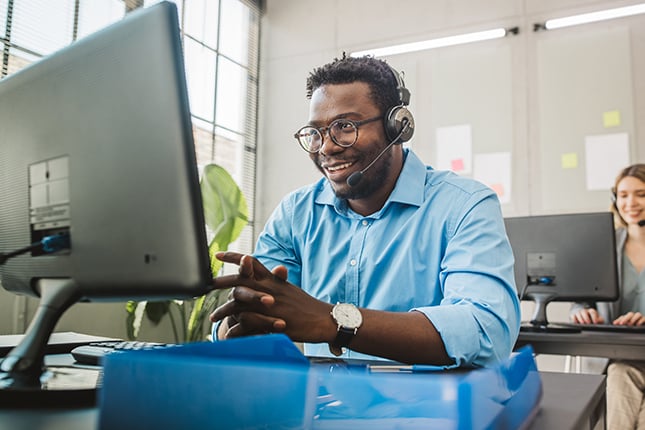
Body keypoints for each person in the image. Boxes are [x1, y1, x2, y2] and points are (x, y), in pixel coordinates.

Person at [209, 54, 520, 367]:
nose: (327, 147)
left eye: (344, 126)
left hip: (427, 411)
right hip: (319, 408)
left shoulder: (464, 205)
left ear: (397, 126)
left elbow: (484, 332)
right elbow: (259, 310)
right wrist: (235, 327)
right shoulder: (296, 213)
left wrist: (334, 321)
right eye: (315, 132)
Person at [571, 163, 645, 429]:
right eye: (623, 195)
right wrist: (580, 311)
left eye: (640, 194)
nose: (631, 203)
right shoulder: (606, 245)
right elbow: (582, 297)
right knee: (618, 374)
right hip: (620, 358)